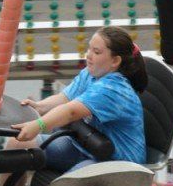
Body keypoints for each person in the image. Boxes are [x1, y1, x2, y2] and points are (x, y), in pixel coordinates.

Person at [11, 26, 147, 173]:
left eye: (96, 52)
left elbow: (71, 112)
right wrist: (38, 107)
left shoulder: (113, 89)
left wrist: (38, 125)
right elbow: (64, 98)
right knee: (16, 145)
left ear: (115, 61)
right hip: (85, 147)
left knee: (64, 185)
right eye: (89, 49)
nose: (89, 55)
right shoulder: (90, 74)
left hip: (117, 165)